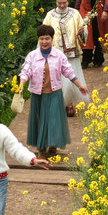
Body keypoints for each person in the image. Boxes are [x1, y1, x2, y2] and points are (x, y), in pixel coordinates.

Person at [18, 24, 89, 159]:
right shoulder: (32, 56)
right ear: (38, 40)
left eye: (47, 39)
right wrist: (22, 82)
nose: (44, 42)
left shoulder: (58, 55)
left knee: (54, 121)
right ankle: (41, 150)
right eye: (41, 39)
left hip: (55, 93)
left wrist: (79, 85)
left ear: (52, 39)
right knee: (41, 121)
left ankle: (53, 145)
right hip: (38, 95)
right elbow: (26, 70)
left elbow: (68, 71)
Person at [42, 0, 91, 117]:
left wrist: (82, 32)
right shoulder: (50, 15)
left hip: (71, 53)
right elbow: (43, 33)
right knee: (56, 79)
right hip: (55, 53)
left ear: (68, 1)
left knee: (70, 79)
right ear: (55, 2)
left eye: (64, 3)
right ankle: (59, 104)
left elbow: (83, 29)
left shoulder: (75, 14)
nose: (62, 5)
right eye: (59, 3)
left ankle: (69, 104)